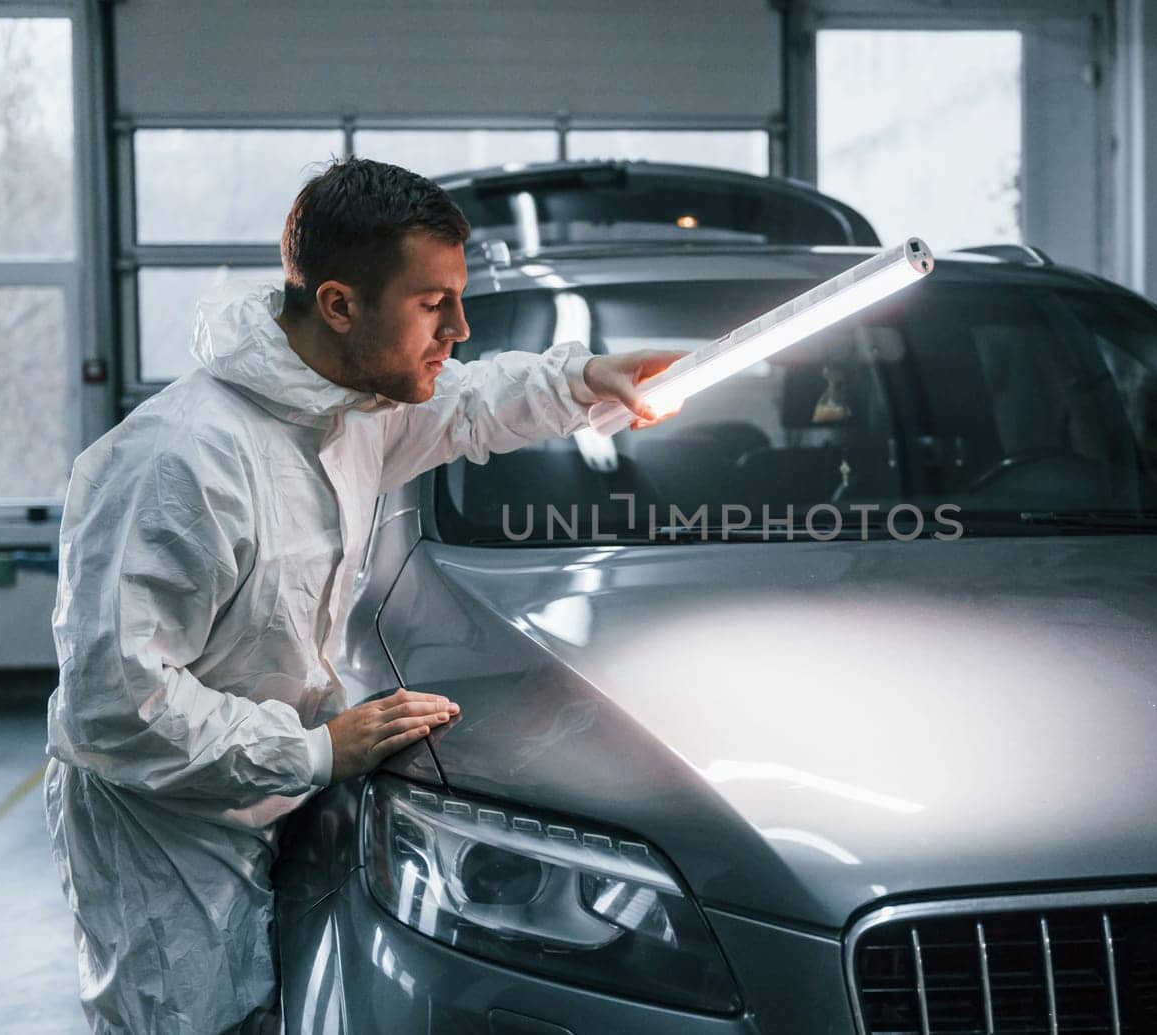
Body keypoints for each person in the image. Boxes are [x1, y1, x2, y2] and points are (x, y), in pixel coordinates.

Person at [42, 157, 684, 1033]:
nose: (458, 328)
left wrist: (584, 380)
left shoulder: (349, 410)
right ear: (340, 304)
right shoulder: (178, 461)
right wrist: (316, 751)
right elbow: (113, 708)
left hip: (266, 795)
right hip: (166, 835)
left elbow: (467, 404)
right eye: (433, 305)